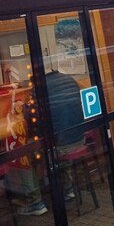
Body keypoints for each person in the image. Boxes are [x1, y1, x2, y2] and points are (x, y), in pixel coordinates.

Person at [45, 70, 85, 199]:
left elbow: (37, 117)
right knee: (58, 144)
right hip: (80, 138)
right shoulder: (69, 79)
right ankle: (68, 186)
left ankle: (34, 201)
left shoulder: (40, 87)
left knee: (30, 152)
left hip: (62, 144)